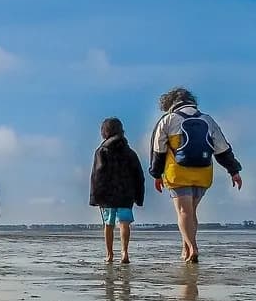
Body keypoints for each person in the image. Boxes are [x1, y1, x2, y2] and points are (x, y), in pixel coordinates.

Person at [149, 87, 243, 263]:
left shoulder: (167, 120)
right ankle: (186, 248)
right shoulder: (207, 120)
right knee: (191, 213)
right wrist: (234, 171)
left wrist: (156, 174)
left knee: (183, 211)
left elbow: (158, 151)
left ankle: (192, 247)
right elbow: (222, 149)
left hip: (178, 173)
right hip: (203, 173)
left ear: (169, 104)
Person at [91, 117, 146, 264]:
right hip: (126, 194)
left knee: (108, 225)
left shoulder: (101, 151)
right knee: (124, 223)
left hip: (107, 195)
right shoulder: (130, 152)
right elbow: (139, 175)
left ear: (104, 132)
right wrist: (139, 196)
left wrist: (95, 197)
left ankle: (109, 255)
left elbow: (97, 175)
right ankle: (125, 252)